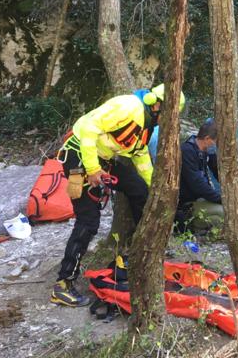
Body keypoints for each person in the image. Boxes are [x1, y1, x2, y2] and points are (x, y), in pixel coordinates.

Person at [50, 84, 184, 306]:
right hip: (78, 156)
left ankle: (136, 251)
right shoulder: (128, 107)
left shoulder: (147, 125)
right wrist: (92, 169)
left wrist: (155, 188)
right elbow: (90, 129)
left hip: (103, 161)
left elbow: (140, 157)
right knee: (88, 221)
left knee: (139, 191)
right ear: (157, 104)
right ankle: (63, 284)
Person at [177, 119, 224, 233]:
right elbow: (197, 184)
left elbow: (218, 172)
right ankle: (195, 227)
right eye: (215, 141)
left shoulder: (203, 151)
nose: (216, 145)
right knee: (223, 212)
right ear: (207, 139)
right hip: (188, 204)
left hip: (200, 199)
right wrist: (221, 199)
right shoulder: (188, 151)